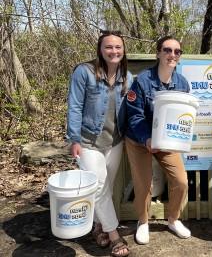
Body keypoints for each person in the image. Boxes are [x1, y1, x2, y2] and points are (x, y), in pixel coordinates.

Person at [67, 30, 132, 257]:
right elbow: (74, 106)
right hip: (87, 141)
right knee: (98, 187)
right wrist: (73, 138)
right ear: (100, 49)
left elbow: (130, 110)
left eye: (118, 47)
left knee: (105, 188)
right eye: (108, 47)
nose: (114, 51)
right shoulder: (84, 72)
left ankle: (97, 227)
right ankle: (114, 235)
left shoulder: (127, 77)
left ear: (123, 50)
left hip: (114, 141)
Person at [125, 35, 191, 243]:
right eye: (167, 50)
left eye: (177, 51)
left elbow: (183, 114)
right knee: (143, 184)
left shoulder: (182, 83)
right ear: (158, 53)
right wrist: (146, 139)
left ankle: (173, 219)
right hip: (138, 139)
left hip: (166, 139)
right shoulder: (143, 81)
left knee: (181, 181)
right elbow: (134, 116)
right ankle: (143, 222)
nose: (172, 55)